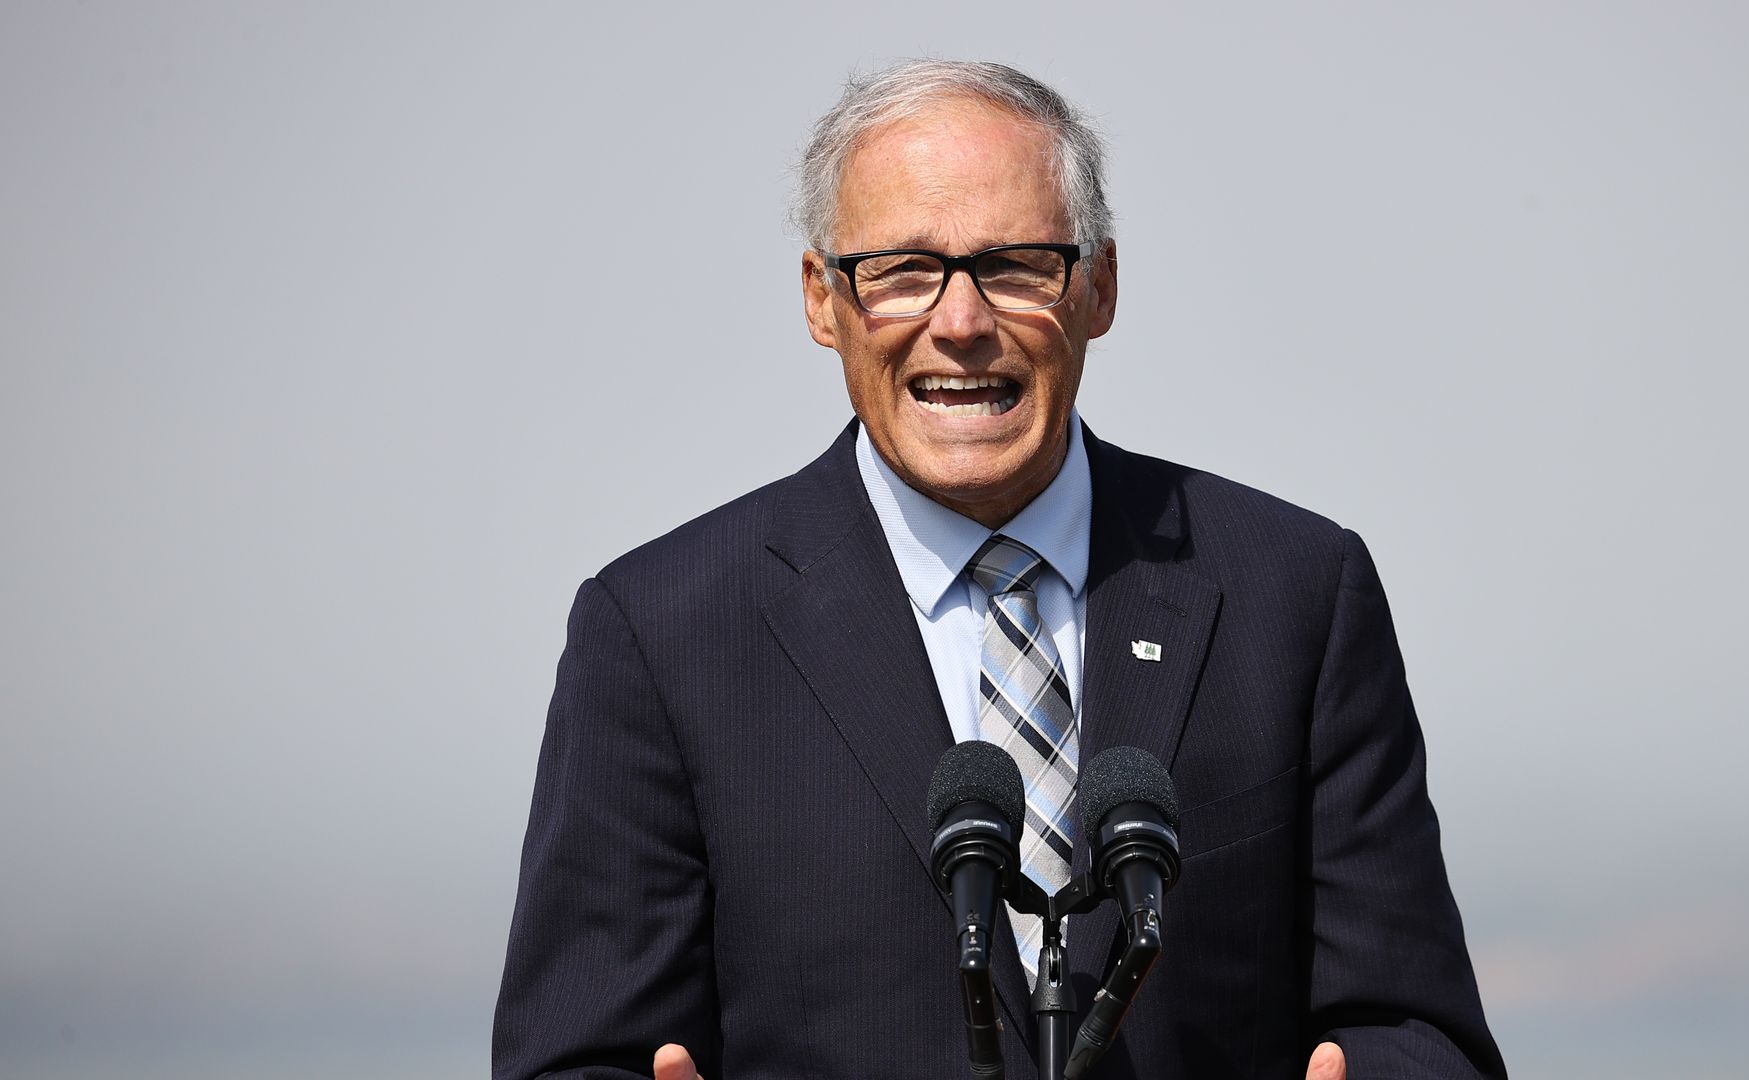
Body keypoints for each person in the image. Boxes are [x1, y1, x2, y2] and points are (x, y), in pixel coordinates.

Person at [493, 59, 1504, 1080]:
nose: (962, 321)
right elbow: (583, 1053)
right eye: (901, 270)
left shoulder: (1293, 595)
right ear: (822, 300)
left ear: (1099, 287)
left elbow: (1415, 1030)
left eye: (1017, 265)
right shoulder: (665, 631)